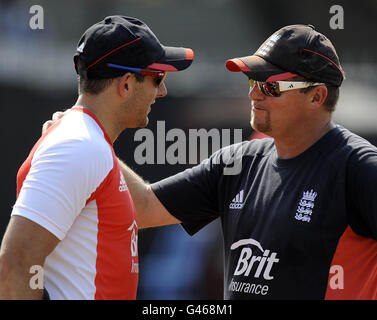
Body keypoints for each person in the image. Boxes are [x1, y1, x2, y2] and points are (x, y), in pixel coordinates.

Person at [118, 24, 377, 300]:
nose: (254, 94)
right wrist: (90, 127)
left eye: (270, 86)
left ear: (317, 96)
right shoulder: (237, 163)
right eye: (252, 82)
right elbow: (141, 208)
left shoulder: (356, 168)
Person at [0, 15, 193, 299]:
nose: (162, 91)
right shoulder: (78, 145)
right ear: (126, 85)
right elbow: (16, 263)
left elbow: (146, 206)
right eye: (158, 78)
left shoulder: (89, 144)